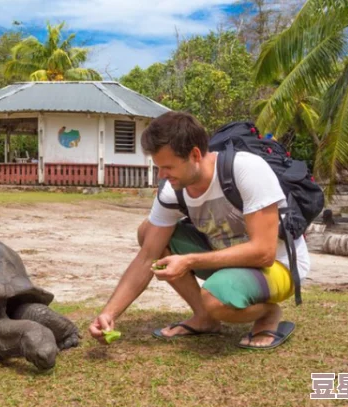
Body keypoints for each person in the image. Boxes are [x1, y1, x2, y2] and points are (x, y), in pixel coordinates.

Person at [88, 111, 310, 349]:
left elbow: (263, 252)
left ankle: (267, 314)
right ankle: (205, 319)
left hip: (277, 265)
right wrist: (110, 314)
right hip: (228, 261)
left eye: (168, 167)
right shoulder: (173, 191)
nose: (161, 175)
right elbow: (147, 257)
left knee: (214, 298)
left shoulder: (246, 169)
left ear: (194, 154)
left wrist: (189, 260)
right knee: (148, 233)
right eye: (158, 167)